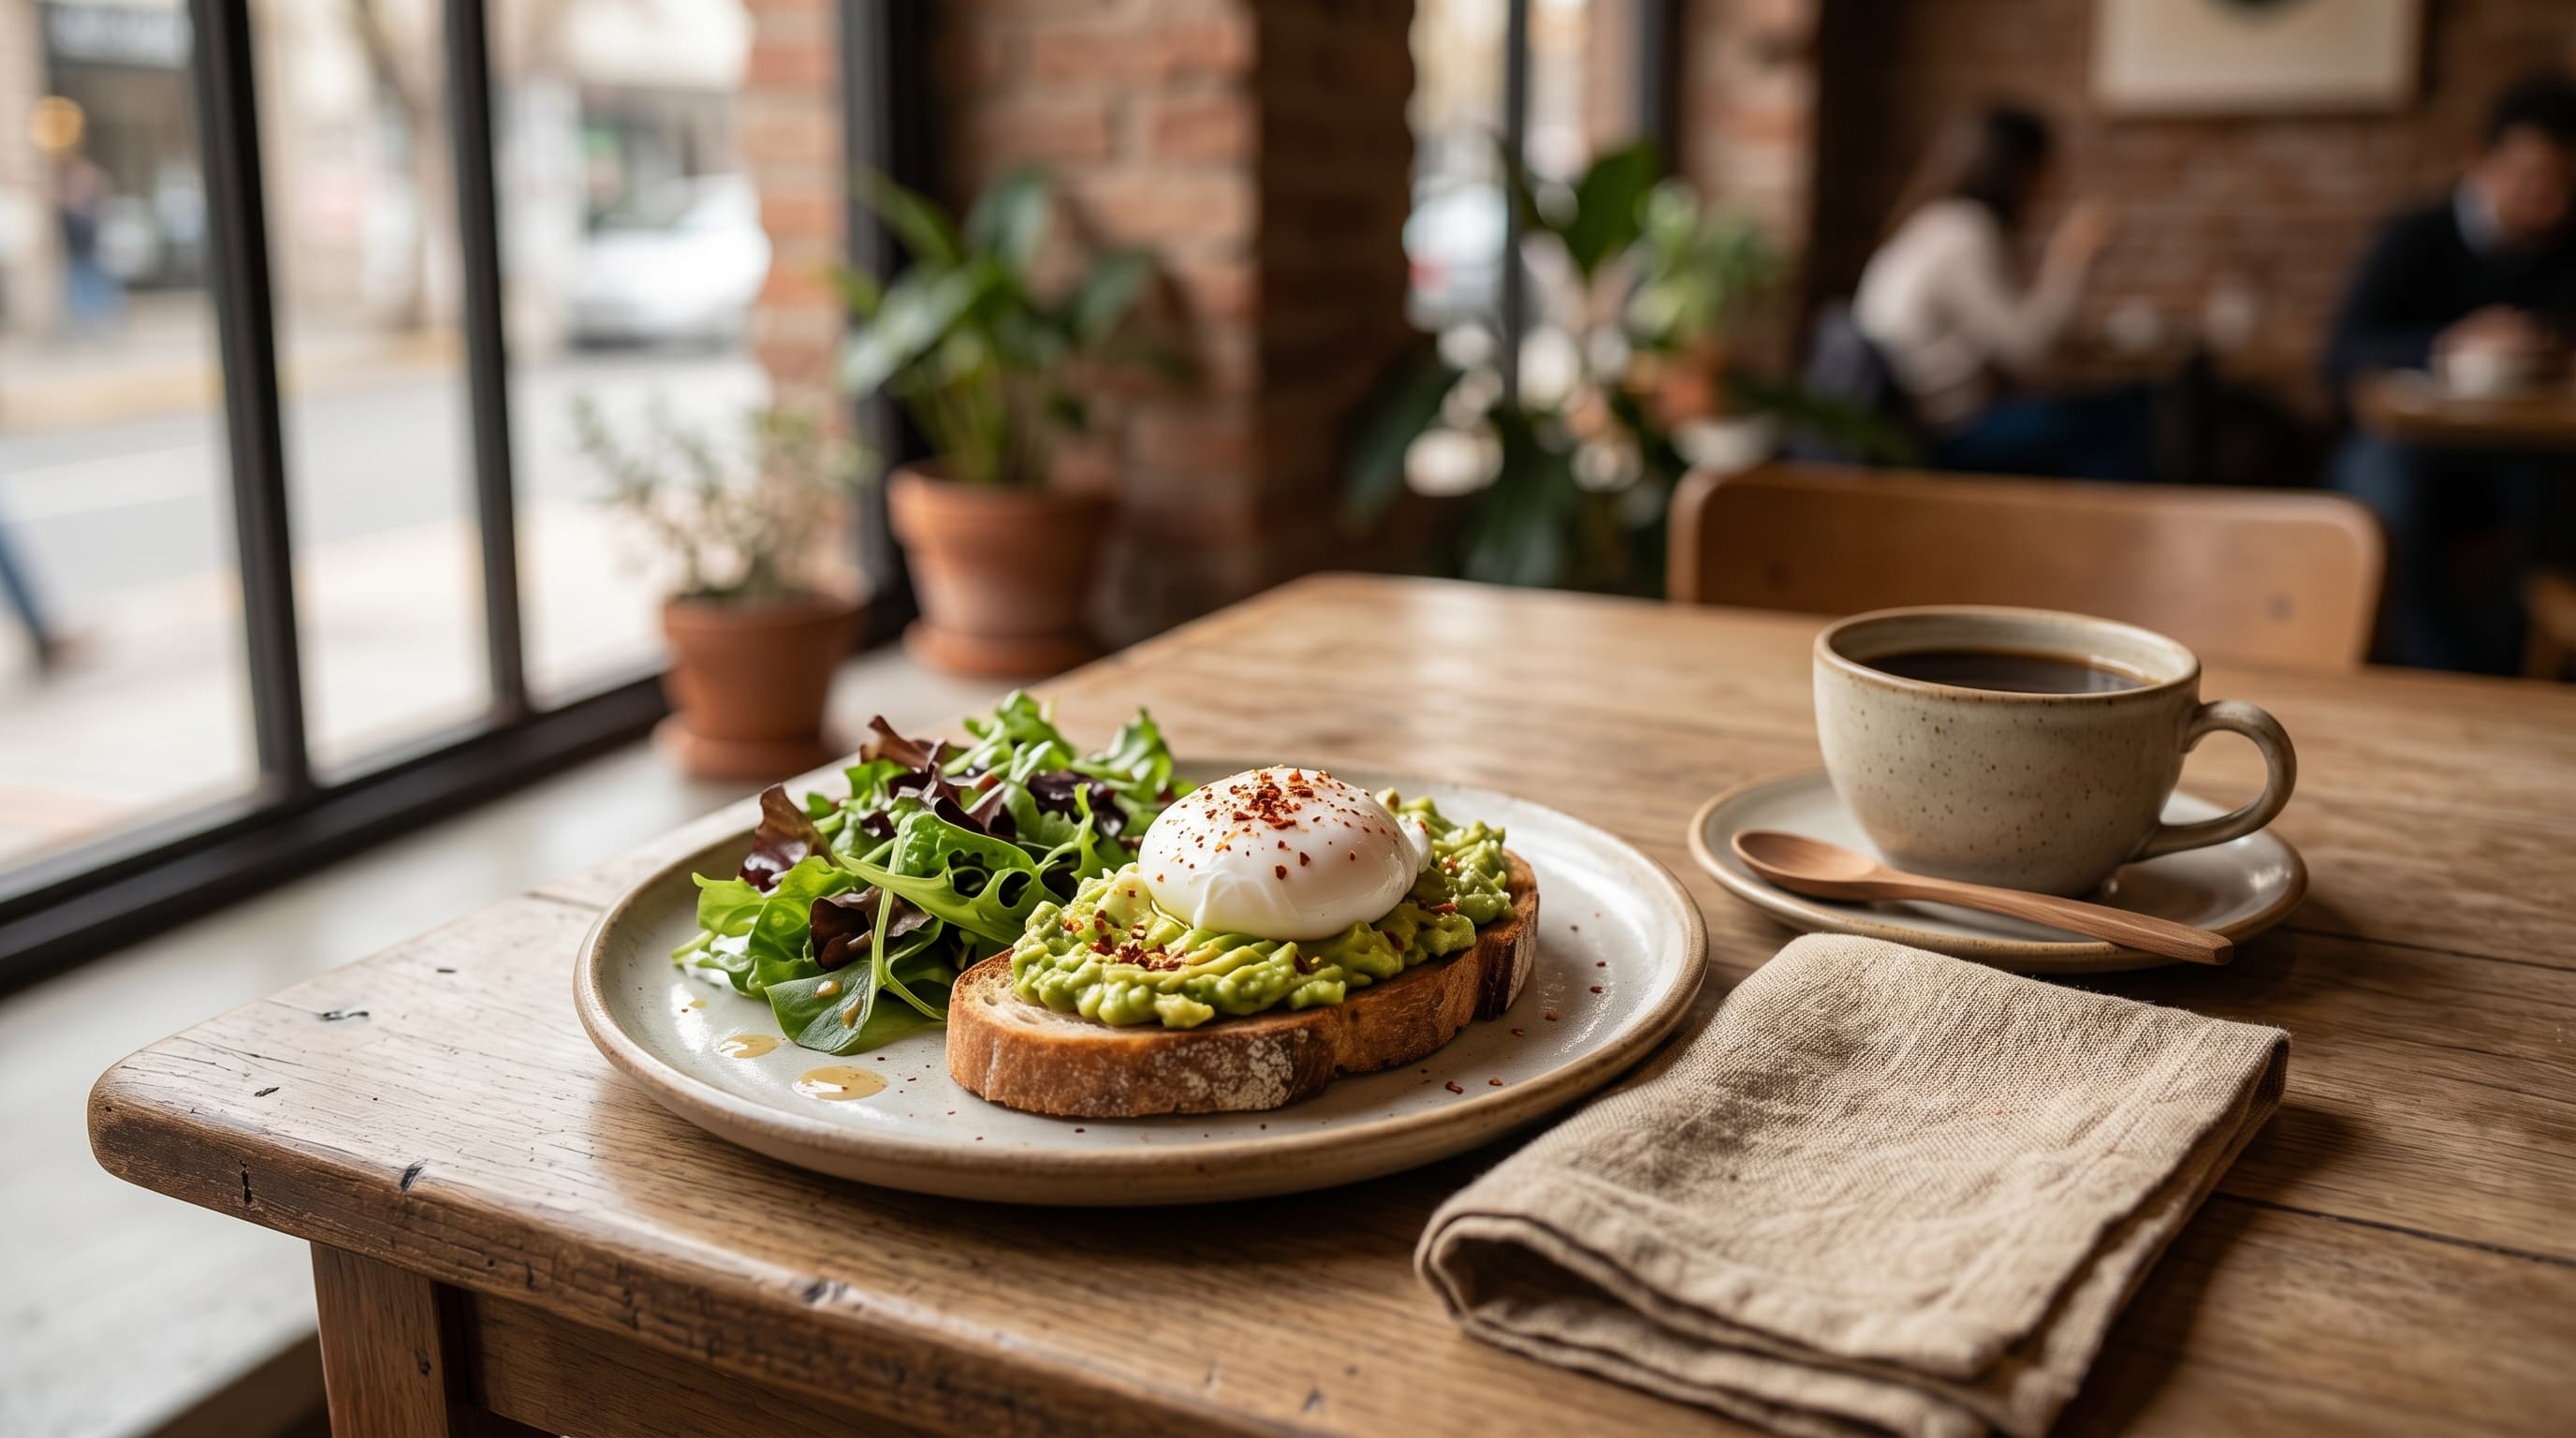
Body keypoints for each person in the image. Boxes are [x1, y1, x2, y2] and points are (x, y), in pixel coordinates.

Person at [2324, 72, 2576, 674]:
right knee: (2389, 493)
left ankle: (2523, 672)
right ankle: (2439, 672)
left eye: (2567, 183)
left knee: (2552, 500)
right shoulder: (2418, 236)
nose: (2550, 200)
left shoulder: (2569, 247)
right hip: (2407, 443)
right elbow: (2339, 355)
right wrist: (2448, 344)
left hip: (2524, 448)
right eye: (2530, 177)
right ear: (2479, 161)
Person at [1853, 104, 2147, 482]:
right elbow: (2029, 354)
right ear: (2018, 169)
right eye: (2047, 169)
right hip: (1942, 432)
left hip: (1919, 420)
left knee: (2113, 410)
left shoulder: (1933, 224)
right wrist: (2071, 258)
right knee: (2126, 416)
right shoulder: (1964, 232)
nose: (2052, 184)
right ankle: (2110, 537)